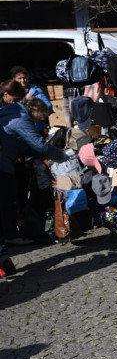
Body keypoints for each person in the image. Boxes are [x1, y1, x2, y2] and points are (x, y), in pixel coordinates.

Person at [0, 80, 63, 252]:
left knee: (8, 198)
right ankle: (11, 236)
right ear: (34, 113)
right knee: (8, 199)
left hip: (7, 160)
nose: (36, 123)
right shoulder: (22, 118)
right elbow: (39, 145)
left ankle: (7, 234)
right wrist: (61, 156)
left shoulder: (8, 111)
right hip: (3, 162)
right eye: (37, 120)